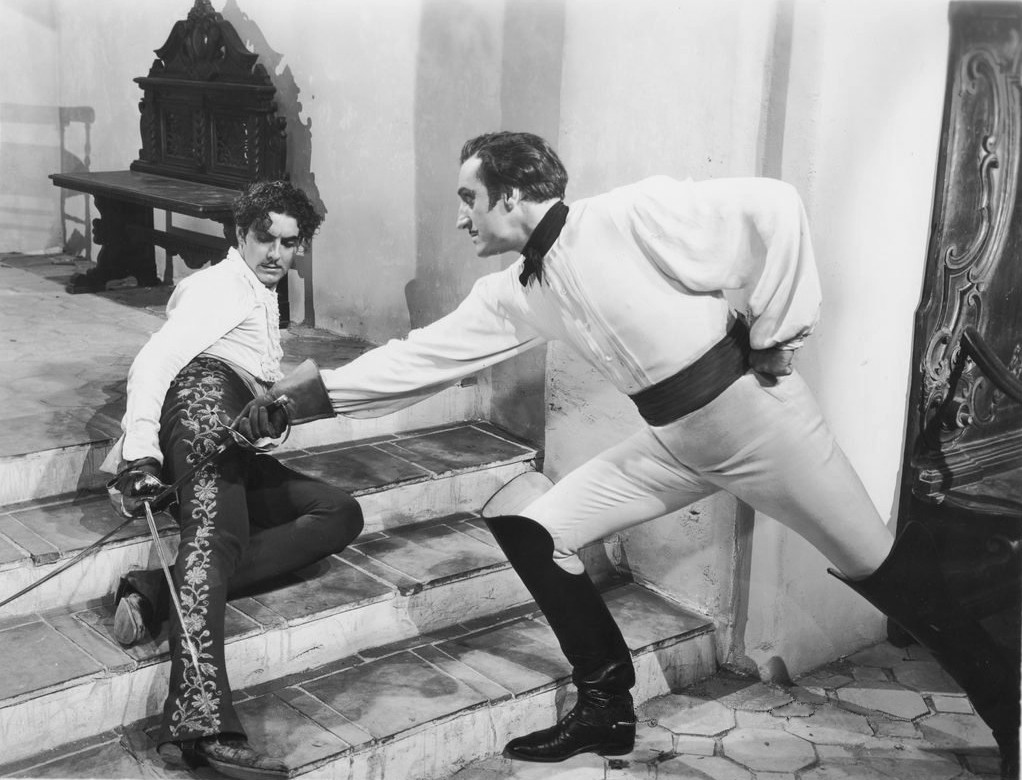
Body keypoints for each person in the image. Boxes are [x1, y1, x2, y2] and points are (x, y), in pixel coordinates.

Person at [245, 132, 1020, 777]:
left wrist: (778, 335)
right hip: (675, 442)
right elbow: (421, 358)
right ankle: (605, 708)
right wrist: (298, 402)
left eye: (468, 198)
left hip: (762, 427)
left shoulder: (629, 214)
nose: (460, 217)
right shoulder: (518, 291)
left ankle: (1008, 710)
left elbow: (774, 205)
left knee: (887, 574)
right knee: (532, 528)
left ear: (510, 196)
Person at [103, 180, 364, 780]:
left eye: (289, 243)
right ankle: (201, 726)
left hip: (232, 430)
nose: (276, 253)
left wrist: (269, 418)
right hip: (200, 411)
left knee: (338, 511)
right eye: (265, 238)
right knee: (215, 541)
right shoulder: (221, 286)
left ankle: (153, 588)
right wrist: (141, 455)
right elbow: (155, 361)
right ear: (240, 234)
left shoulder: (258, 292)